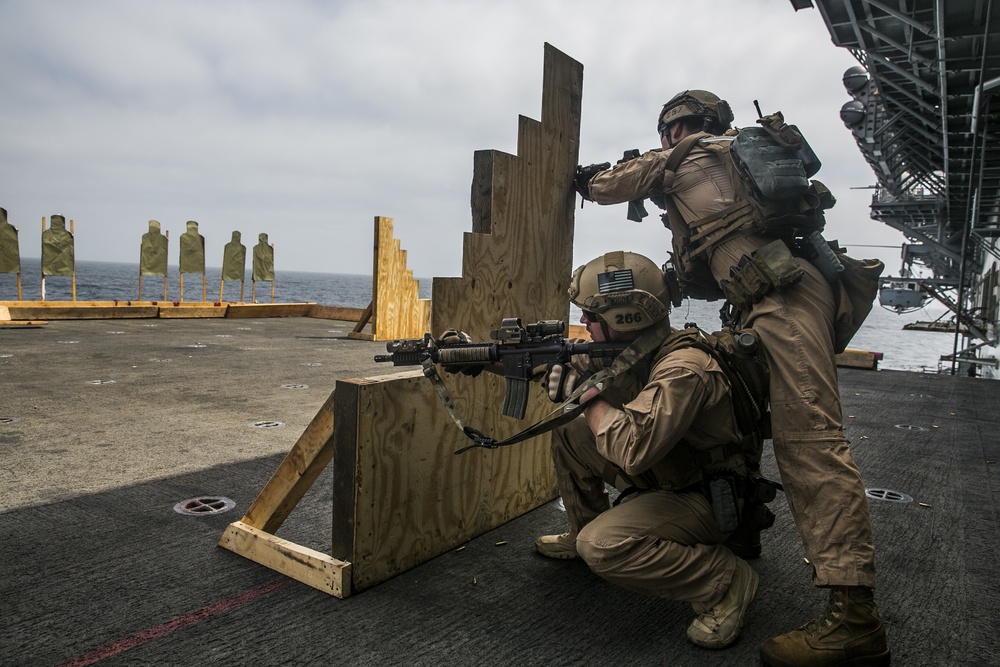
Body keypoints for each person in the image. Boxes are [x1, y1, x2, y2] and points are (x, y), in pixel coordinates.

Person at [575, 91, 889, 666]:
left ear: (675, 129)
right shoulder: (731, 157)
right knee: (737, 408)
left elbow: (610, 186)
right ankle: (741, 533)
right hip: (778, 299)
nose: (667, 139)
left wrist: (587, 178)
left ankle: (855, 620)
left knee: (810, 444)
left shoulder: (688, 155)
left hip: (783, 302)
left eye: (667, 131)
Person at [534, 250, 759, 651]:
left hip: (706, 497)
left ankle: (722, 579)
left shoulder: (684, 368)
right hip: (670, 475)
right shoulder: (632, 350)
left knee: (600, 547)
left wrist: (584, 397)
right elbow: (551, 365)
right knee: (570, 430)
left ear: (626, 318)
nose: (583, 322)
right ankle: (582, 525)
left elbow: (632, 450)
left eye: (592, 315)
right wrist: (478, 358)